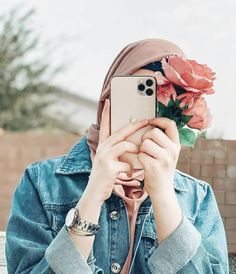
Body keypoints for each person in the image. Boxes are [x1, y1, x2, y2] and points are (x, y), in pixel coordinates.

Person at [5, 38, 229, 274]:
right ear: (107, 101)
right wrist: (92, 195)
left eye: (162, 99)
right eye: (134, 95)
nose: (143, 116)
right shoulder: (41, 182)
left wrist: (164, 195)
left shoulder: (198, 196)